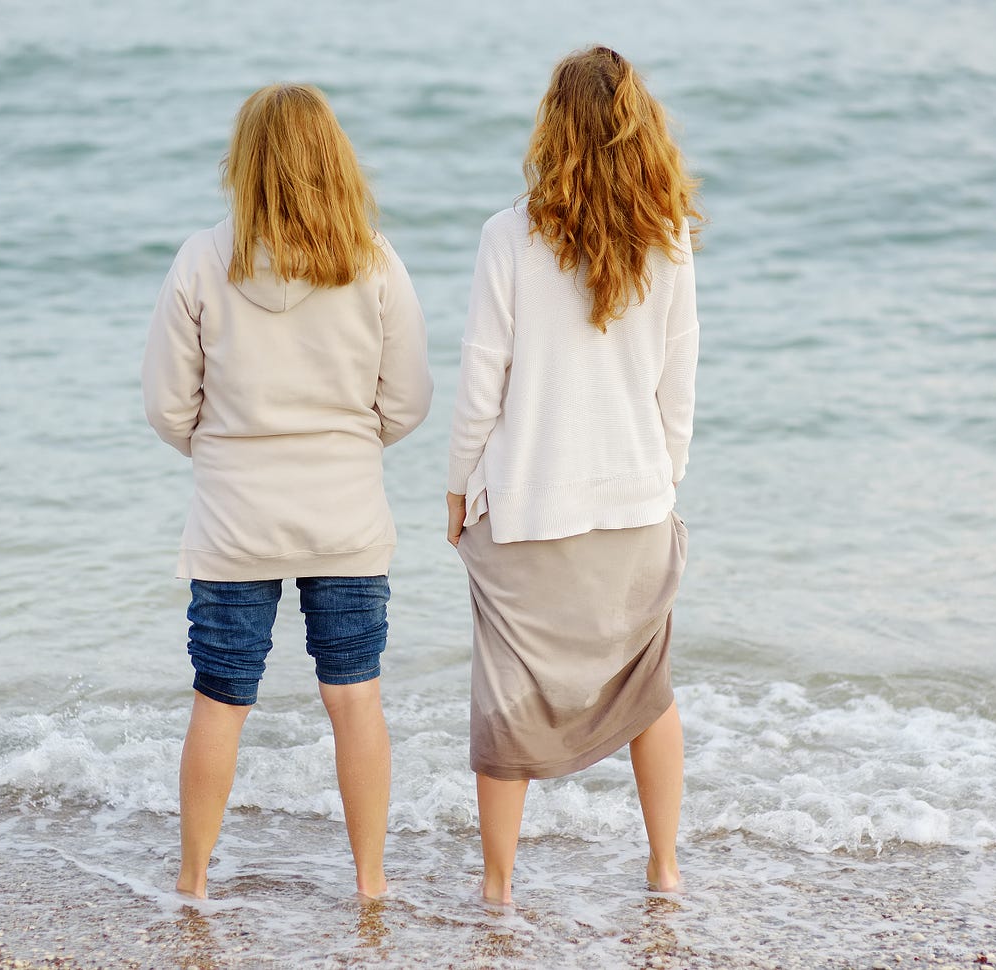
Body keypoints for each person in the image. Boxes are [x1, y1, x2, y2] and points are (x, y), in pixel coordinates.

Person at [143, 83, 432, 900]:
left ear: (246, 163)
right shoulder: (371, 258)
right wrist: (348, 444)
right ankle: (370, 884)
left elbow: (166, 402)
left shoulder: (202, 258)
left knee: (220, 699)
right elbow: (407, 397)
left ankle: (194, 881)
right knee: (355, 698)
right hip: (346, 517)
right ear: (331, 158)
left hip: (234, 522)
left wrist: (226, 451)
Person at [445, 46, 702, 905]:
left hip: (528, 509)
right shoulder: (665, 239)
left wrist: (458, 487)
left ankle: (498, 889)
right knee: (647, 693)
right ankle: (664, 871)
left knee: (508, 703)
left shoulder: (507, 237)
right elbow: (679, 382)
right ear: (641, 127)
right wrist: (660, 486)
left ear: (552, 127)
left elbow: (485, 379)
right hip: (635, 505)